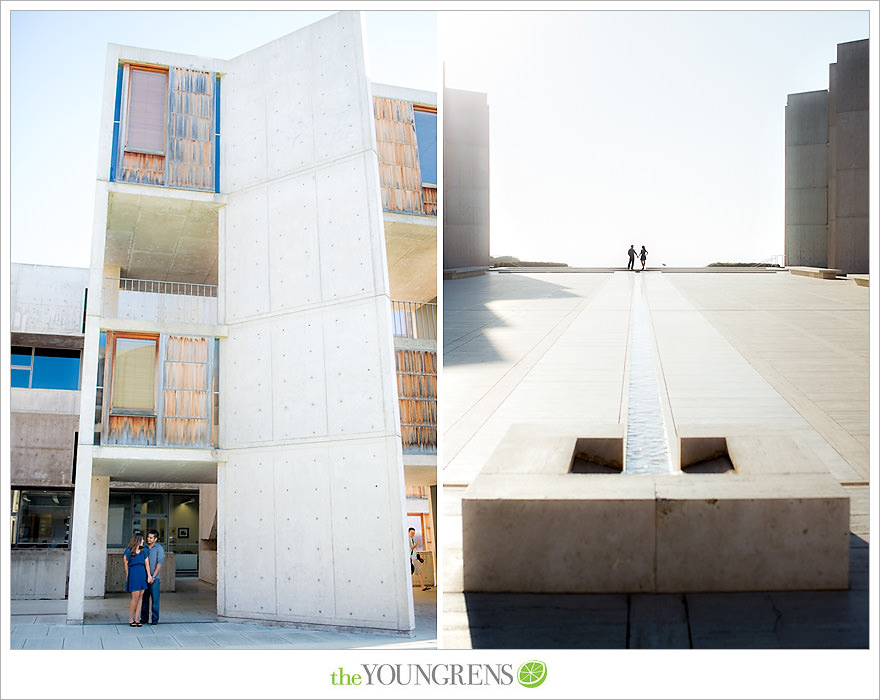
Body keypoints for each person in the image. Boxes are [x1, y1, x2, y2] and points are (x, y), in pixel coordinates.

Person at [123, 533, 152, 627]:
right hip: (134, 574)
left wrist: (149, 575)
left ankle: (137, 618)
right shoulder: (128, 551)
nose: (143, 541)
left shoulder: (144, 551)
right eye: (142, 539)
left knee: (140, 597)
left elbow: (147, 564)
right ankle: (131, 618)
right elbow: (126, 565)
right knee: (135, 597)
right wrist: (128, 576)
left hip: (142, 573)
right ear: (137, 540)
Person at [139, 528, 165, 625]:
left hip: (155, 578)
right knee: (144, 599)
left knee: (155, 600)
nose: (148, 539)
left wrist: (153, 576)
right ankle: (144, 618)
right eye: (148, 537)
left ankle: (155, 620)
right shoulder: (144, 547)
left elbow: (160, 563)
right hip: (144, 578)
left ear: (156, 539)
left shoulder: (159, 548)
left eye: (151, 537)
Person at [409, 527, 431, 591]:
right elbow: (411, 548)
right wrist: (416, 544)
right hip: (412, 559)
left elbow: (413, 550)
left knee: (417, 573)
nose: (413, 534)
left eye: (414, 533)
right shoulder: (408, 539)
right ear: (409, 532)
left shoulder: (411, 539)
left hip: (414, 558)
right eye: (412, 533)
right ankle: (422, 586)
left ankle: (423, 586)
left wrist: (418, 556)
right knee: (417, 572)